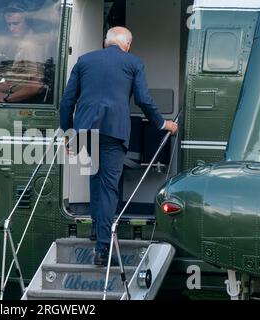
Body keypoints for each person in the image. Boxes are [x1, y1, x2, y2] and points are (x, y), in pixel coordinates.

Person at [60, 27, 178, 266]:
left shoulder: (85, 60)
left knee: (96, 177)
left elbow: (67, 100)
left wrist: (68, 132)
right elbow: (143, 99)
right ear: (128, 45)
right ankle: (102, 250)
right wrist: (161, 123)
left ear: (106, 43)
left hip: (85, 130)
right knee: (108, 187)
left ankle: (96, 228)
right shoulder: (133, 62)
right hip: (113, 132)